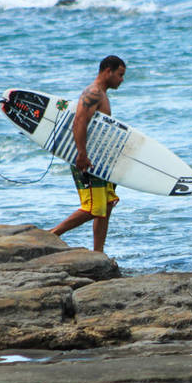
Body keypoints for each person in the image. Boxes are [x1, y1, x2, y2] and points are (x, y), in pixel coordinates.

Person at [49, 55, 125, 252]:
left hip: (98, 160)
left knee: (107, 205)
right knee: (93, 207)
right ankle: (51, 234)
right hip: (86, 159)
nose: (121, 79)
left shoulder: (102, 94)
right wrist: (81, 154)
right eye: (120, 74)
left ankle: (98, 253)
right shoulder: (93, 93)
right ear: (108, 70)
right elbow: (79, 121)